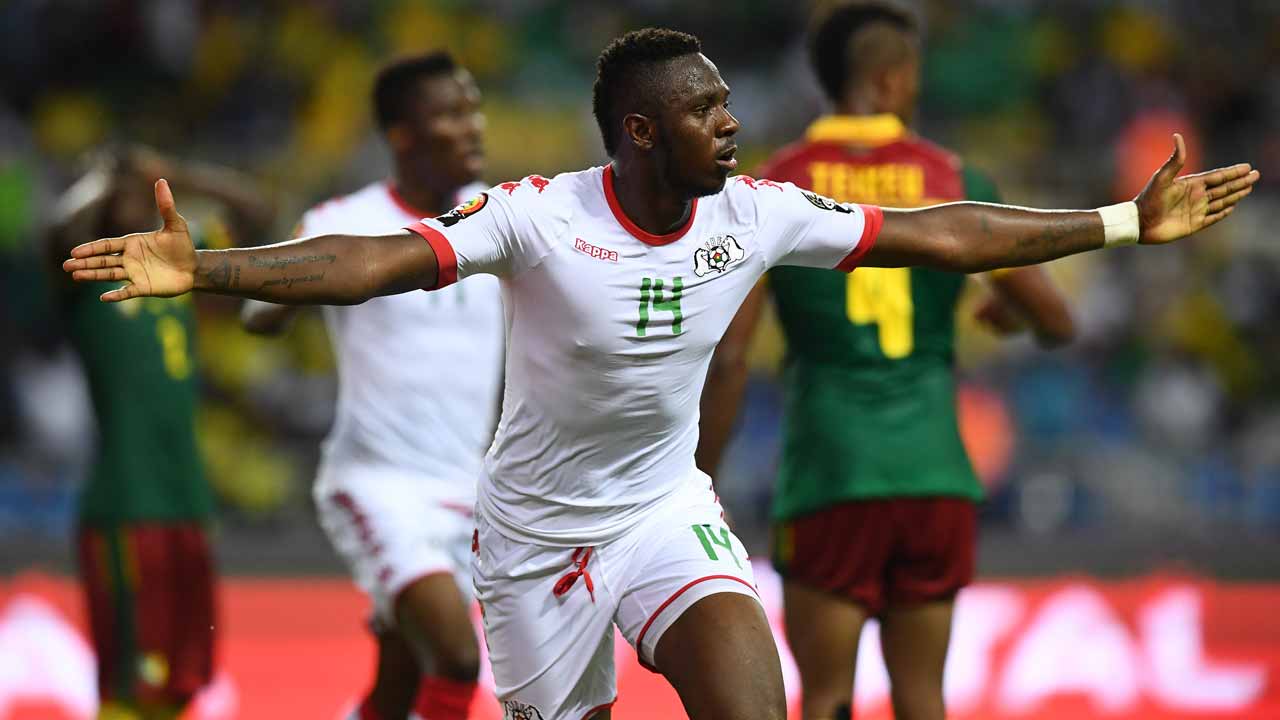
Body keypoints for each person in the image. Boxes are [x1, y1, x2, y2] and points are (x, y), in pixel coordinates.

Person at [63, 28, 1257, 720]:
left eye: (728, 103)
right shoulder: (534, 220)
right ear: (639, 132)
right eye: (704, 110)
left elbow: (944, 234)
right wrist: (208, 269)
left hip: (658, 511)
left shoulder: (753, 212)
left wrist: (1116, 223)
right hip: (528, 540)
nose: (731, 124)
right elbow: (371, 261)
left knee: (756, 708)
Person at [696, 5, 1075, 720]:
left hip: (830, 471)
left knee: (828, 698)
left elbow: (731, 357)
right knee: (922, 698)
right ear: (895, 78)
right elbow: (1058, 322)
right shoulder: (957, 178)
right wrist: (1010, 309)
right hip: (934, 471)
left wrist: (702, 478)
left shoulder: (775, 188)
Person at [240, 51, 501, 720]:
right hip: (382, 484)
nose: (472, 126)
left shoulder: (502, 224)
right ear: (401, 135)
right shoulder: (344, 220)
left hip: (472, 492)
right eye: (450, 113)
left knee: (397, 691)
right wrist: (284, 286)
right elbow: (259, 317)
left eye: (472, 108)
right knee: (457, 658)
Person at [45, 146, 273, 720]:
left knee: (181, 681)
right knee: (130, 685)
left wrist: (177, 171)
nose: (131, 194)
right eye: (116, 191)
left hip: (187, 502)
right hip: (127, 504)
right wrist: (105, 175)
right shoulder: (86, 278)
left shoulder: (176, 273)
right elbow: (54, 236)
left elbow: (259, 214)